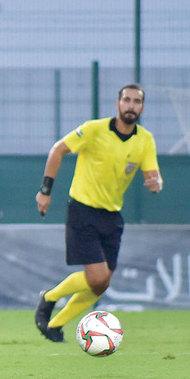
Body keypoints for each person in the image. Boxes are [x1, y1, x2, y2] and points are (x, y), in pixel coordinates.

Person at [34, 83, 162, 342]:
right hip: (83, 210)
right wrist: (45, 191)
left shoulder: (145, 139)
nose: (131, 105)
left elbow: (154, 176)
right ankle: (50, 297)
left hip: (112, 215)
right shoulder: (94, 129)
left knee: (102, 284)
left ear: (142, 108)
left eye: (136, 101)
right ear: (117, 104)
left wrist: (156, 184)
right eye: (127, 100)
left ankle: (54, 325)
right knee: (97, 277)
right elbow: (58, 149)